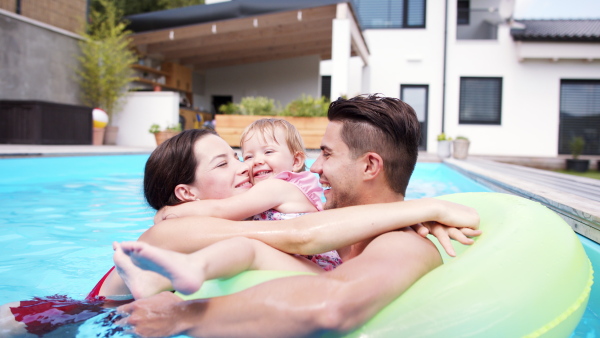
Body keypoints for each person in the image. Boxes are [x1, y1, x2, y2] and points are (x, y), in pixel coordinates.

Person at [116, 94, 481, 337]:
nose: (314, 167)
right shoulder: (338, 228)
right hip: (82, 316)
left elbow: (330, 303)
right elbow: (302, 233)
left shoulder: (400, 242)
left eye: (326, 154)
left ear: (370, 165)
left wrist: (183, 315)